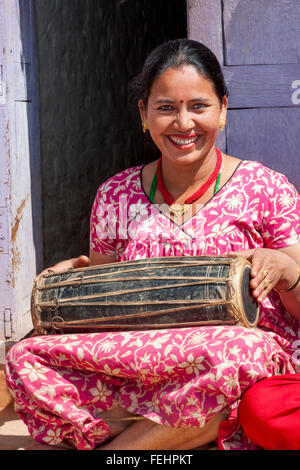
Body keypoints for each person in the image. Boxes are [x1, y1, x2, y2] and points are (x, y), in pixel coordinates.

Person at [4, 39, 300, 451]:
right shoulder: (115, 193)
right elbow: (106, 301)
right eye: (166, 108)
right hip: (141, 359)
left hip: (235, 355)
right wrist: (73, 283)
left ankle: (123, 451)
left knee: (239, 353)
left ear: (224, 109)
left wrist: (287, 272)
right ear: (144, 114)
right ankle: (174, 433)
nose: (183, 123)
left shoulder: (267, 188)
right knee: (27, 355)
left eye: (198, 106)